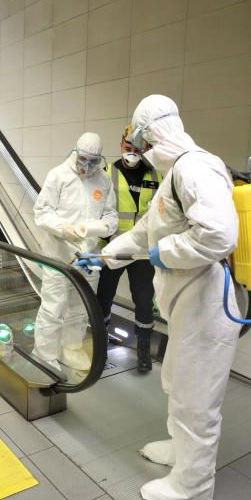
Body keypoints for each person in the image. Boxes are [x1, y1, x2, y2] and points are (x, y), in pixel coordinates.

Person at [77, 94, 240, 500]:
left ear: (155, 133)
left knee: (195, 394)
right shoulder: (172, 176)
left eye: (143, 140)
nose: (140, 150)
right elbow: (147, 229)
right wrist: (108, 254)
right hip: (189, 302)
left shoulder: (195, 166)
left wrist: (163, 253)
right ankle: (179, 449)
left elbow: (219, 235)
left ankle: (193, 485)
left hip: (208, 302)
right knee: (177, 381)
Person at [32, 131, 118, 373]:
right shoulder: (58, 175)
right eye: (83, 159)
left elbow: (111, 214)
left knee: (80, 308)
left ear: (99, 159)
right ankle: (44, 353)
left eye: (93, 161)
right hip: (58, 256)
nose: (87, 166)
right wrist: (63, 229)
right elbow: (41, 211)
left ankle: (71, 349)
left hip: (89, 257)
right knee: (53, 307)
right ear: (76, 153)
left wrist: (104, 227)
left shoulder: (103, 180)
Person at [96, 125, 160, 373]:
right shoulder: (107, 173)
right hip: (112, 248)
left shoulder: (157, 175)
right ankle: (102, 346)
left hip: (143, 251)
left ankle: (144, 350)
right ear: (121, 144)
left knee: (144, 301)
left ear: (147, 149)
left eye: (137, 149)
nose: (131, 153)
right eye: (127, 147)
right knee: (104, 298)